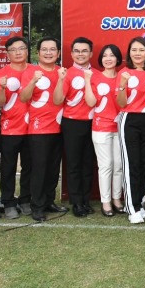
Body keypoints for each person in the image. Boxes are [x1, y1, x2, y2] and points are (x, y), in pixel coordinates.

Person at [20, 37, 68, 222]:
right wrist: (32, 81)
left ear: (58, 53)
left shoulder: (62, 72)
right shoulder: (31, 72)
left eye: (52, 49)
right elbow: (24, 97)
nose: (49, 53)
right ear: (38, 53)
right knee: (39, 169)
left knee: (53, 168)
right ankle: (37, 206)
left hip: (59, 127)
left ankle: (49, 201)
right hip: (38, 129)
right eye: (45, 49)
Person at [53, 37, 96, 217]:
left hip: (94, 124)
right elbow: (57, 100)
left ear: (91, 53)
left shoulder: (97, 74)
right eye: (77, 51)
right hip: (72, 123)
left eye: (84, 51)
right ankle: (77, 202)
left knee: (88, 164)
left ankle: (85, 200)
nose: (80, 54)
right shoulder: (66, 73)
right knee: (73, 164)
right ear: (71, 54)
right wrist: (61, 80)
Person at [117, 37, 145, 224]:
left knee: (144, 164)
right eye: (134, 50)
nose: (138, 53)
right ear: (129, 53)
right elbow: (121, 103)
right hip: (129, 119)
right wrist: (123, 84)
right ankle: (131, 208)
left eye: (141, 50)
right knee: (131, 163)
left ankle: (139, 204)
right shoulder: (124, 73)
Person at [0, 36, 35, 219]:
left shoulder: (36, 71)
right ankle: (8, 202)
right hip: (9, 128)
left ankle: (26, 199)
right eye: (14, 49)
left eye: (22, 48)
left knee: (29, 167)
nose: (18, 52)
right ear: (7, 53)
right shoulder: (1, 74)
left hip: (33, 129)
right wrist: (2, 88)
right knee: (8, 167)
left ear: (28, 50)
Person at [84, 44, 125, 217]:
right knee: (105, 165)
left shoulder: (124, 76)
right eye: (105, 55)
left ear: (117, 58)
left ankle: (117, 199)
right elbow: (90, 102)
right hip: (101, 127)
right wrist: (87, 81)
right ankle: (106, 202)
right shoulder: (95, 77)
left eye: (112, 55)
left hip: (120, 127)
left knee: (118, 165)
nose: (108, 58)